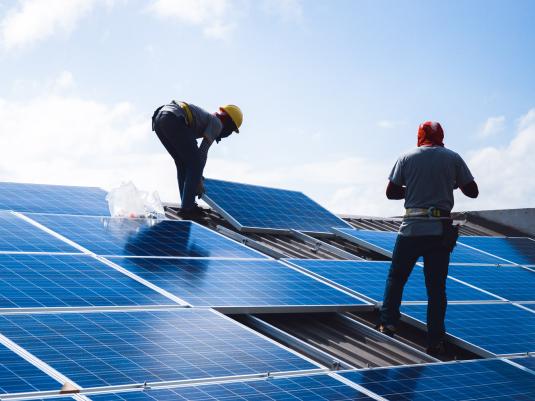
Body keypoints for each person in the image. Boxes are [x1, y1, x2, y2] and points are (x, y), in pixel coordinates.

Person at [377, 121, 479, 356]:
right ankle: (434, 340)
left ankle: (388, 323)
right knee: (436, 288)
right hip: (439, 232)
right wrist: (446, 185)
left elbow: (391, 192)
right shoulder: (452, 158)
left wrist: (413, 188)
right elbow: (472, 191)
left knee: (397, 278)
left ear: (419, 137)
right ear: (441, 136)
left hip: (411, 230)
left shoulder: (406, 157)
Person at [152, 101, 243, 218]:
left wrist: (196, 175)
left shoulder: (206, 120)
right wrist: (198, 180)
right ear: (229, 123)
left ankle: (186, 205)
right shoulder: (217, 123)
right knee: (194, 164)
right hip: (173, 118)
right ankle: (188, 208)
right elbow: (202, 154)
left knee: (182, 164)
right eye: (231, 130)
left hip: (160, 119)